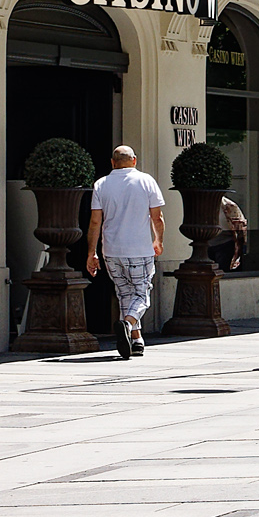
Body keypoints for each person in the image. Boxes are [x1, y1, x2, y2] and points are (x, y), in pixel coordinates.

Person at [84, 145, 167, 359]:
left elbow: (95, 222)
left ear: (113, 163)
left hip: (112, 249)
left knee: (124, 293)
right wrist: (158, 240)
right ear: (134, 160)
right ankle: (128, 324)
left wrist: (92, 252)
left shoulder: (101, 184)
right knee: (141, 294)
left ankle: (136, 340)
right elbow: (157, 217)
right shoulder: (146, 181)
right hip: (139, 248)